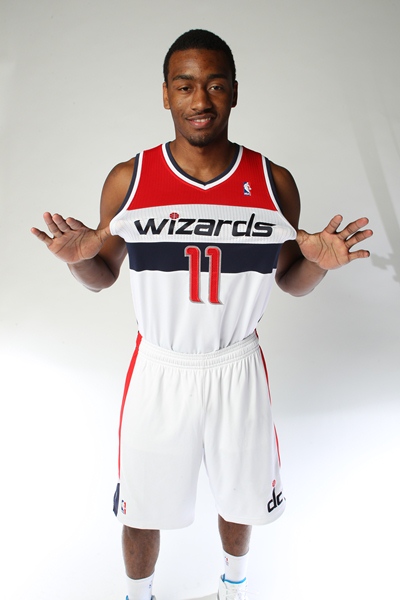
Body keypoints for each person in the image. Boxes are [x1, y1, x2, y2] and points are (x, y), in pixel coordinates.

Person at [31, 29, 373, 600]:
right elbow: (103, 274)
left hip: (236, 363)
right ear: (165, 94)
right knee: (141, 506)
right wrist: (78, 260)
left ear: (234, 92)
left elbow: (291, 279)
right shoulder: (131, 179)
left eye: (214, 85)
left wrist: (318, 264)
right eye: (185, 85)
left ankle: (232, 589)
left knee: (242, 497)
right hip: (160, 366)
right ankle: (139, 596)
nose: (200, 100)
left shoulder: (272, 182)